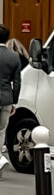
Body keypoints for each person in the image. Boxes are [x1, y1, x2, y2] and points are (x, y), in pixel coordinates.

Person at [0, 25, 21, 175]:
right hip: (6, 98)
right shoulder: (14, 56)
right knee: (1, 131)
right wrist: (14, 101)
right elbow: (18, 82)